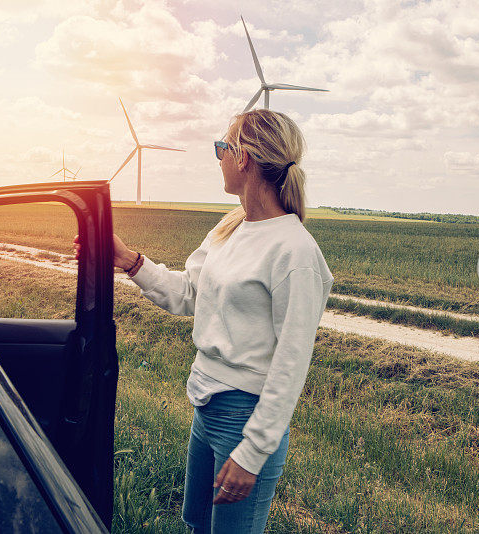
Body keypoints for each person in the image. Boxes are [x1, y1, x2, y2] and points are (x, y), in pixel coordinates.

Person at [78, 109, 333, 533]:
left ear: (244, 157)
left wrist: (253, 451)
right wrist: (129, 260)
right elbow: (187, 293)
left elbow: (291, 363)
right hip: (206, 407)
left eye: (222, 147)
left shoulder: (295, 252)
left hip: (244, 417)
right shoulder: (230, 228)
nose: (218, 158)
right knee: (198, 526)